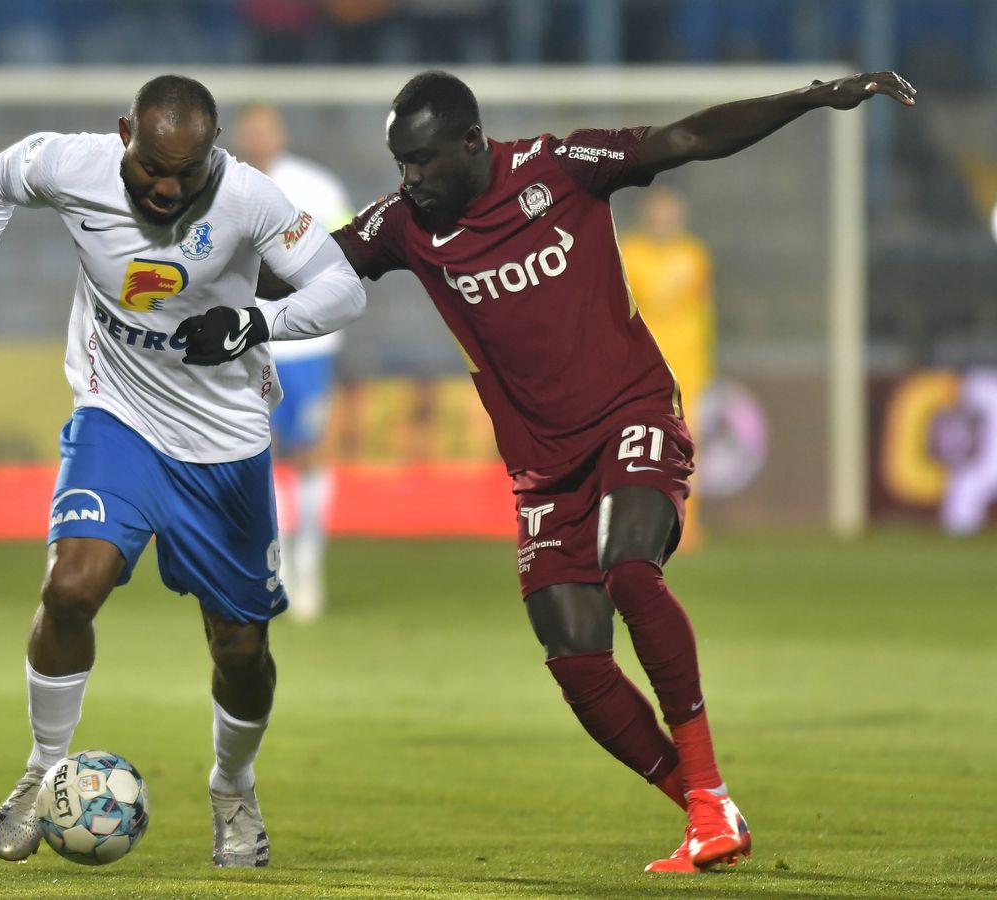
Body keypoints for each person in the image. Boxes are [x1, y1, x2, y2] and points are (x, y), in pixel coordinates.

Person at [322, 68, 916, 873]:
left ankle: (708, 797)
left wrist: (808, 98)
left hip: (633, 415)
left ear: (472, 143)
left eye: (424, 161)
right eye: (401, 163)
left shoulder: (558, 167)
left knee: (631, 570)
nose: (411, 179)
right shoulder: (403, 224)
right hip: (543, 470)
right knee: (575, 659)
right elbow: (307, 269)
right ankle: (709, 809)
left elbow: (687, 140)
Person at [0, 74, 365, 869]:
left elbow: (341, 289)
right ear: (124, 131)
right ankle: (40, 771)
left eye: (185, 174)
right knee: (69, 587)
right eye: (151, 169)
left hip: (225, 442)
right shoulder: (72, 165)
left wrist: (254, 322)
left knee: (241, 650)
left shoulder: (252, 199)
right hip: (115, 417)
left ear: (216, 152)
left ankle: (232, 786)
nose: (166, 189)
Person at [233, 102, 356, 622]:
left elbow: (349, 258)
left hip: (306, 349)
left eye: (267, 128)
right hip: (245, 347)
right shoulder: (220, 189)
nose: (259, 137)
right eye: (250, 129)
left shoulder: (318, 188)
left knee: (310, 456)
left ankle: (309, 568)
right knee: (259, 459)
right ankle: (276, 571)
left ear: (279, 133)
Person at [619, 187, 715, 549]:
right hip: (642, 367)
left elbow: (704, 314)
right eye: (659, 213)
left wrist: (706, 361)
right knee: (638, 445)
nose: (665, 220)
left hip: (688, 366)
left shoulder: (695, 256)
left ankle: (687, 524)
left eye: (670, 213)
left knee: (690, 447)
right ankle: (636, 521)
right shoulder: (629, 252)